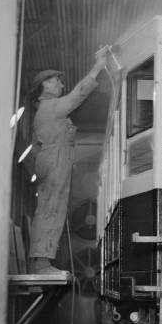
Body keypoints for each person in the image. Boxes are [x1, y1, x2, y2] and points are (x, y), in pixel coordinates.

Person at [27, 53, 107, 274]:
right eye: (54, 81)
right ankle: (41, 262)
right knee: (52, 209)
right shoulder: (50, 107)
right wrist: (98, 67)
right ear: (44, 86)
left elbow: (35, 148)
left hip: (51, 157)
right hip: (55, 158)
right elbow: (78, 95)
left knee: (49, 207)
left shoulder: (41, 113)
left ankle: (41, 260)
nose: (60, 84)